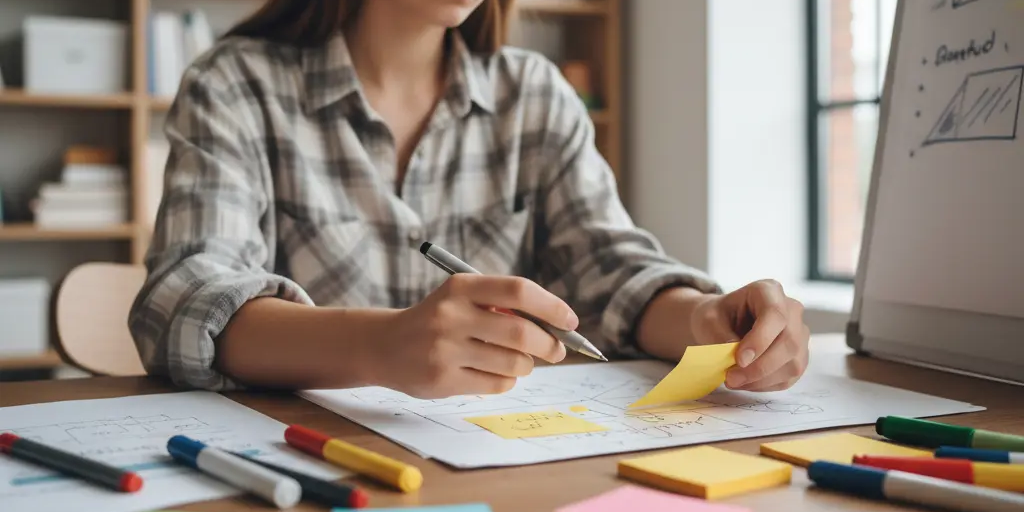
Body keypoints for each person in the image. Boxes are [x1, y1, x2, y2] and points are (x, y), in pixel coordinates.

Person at [128, 0, 810, 397]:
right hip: (314, 470)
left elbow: (609, 271)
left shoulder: (535, 96)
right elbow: (184, 301)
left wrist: (703, 321)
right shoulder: (235, 84)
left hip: (497, 469)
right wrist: (380, 345)